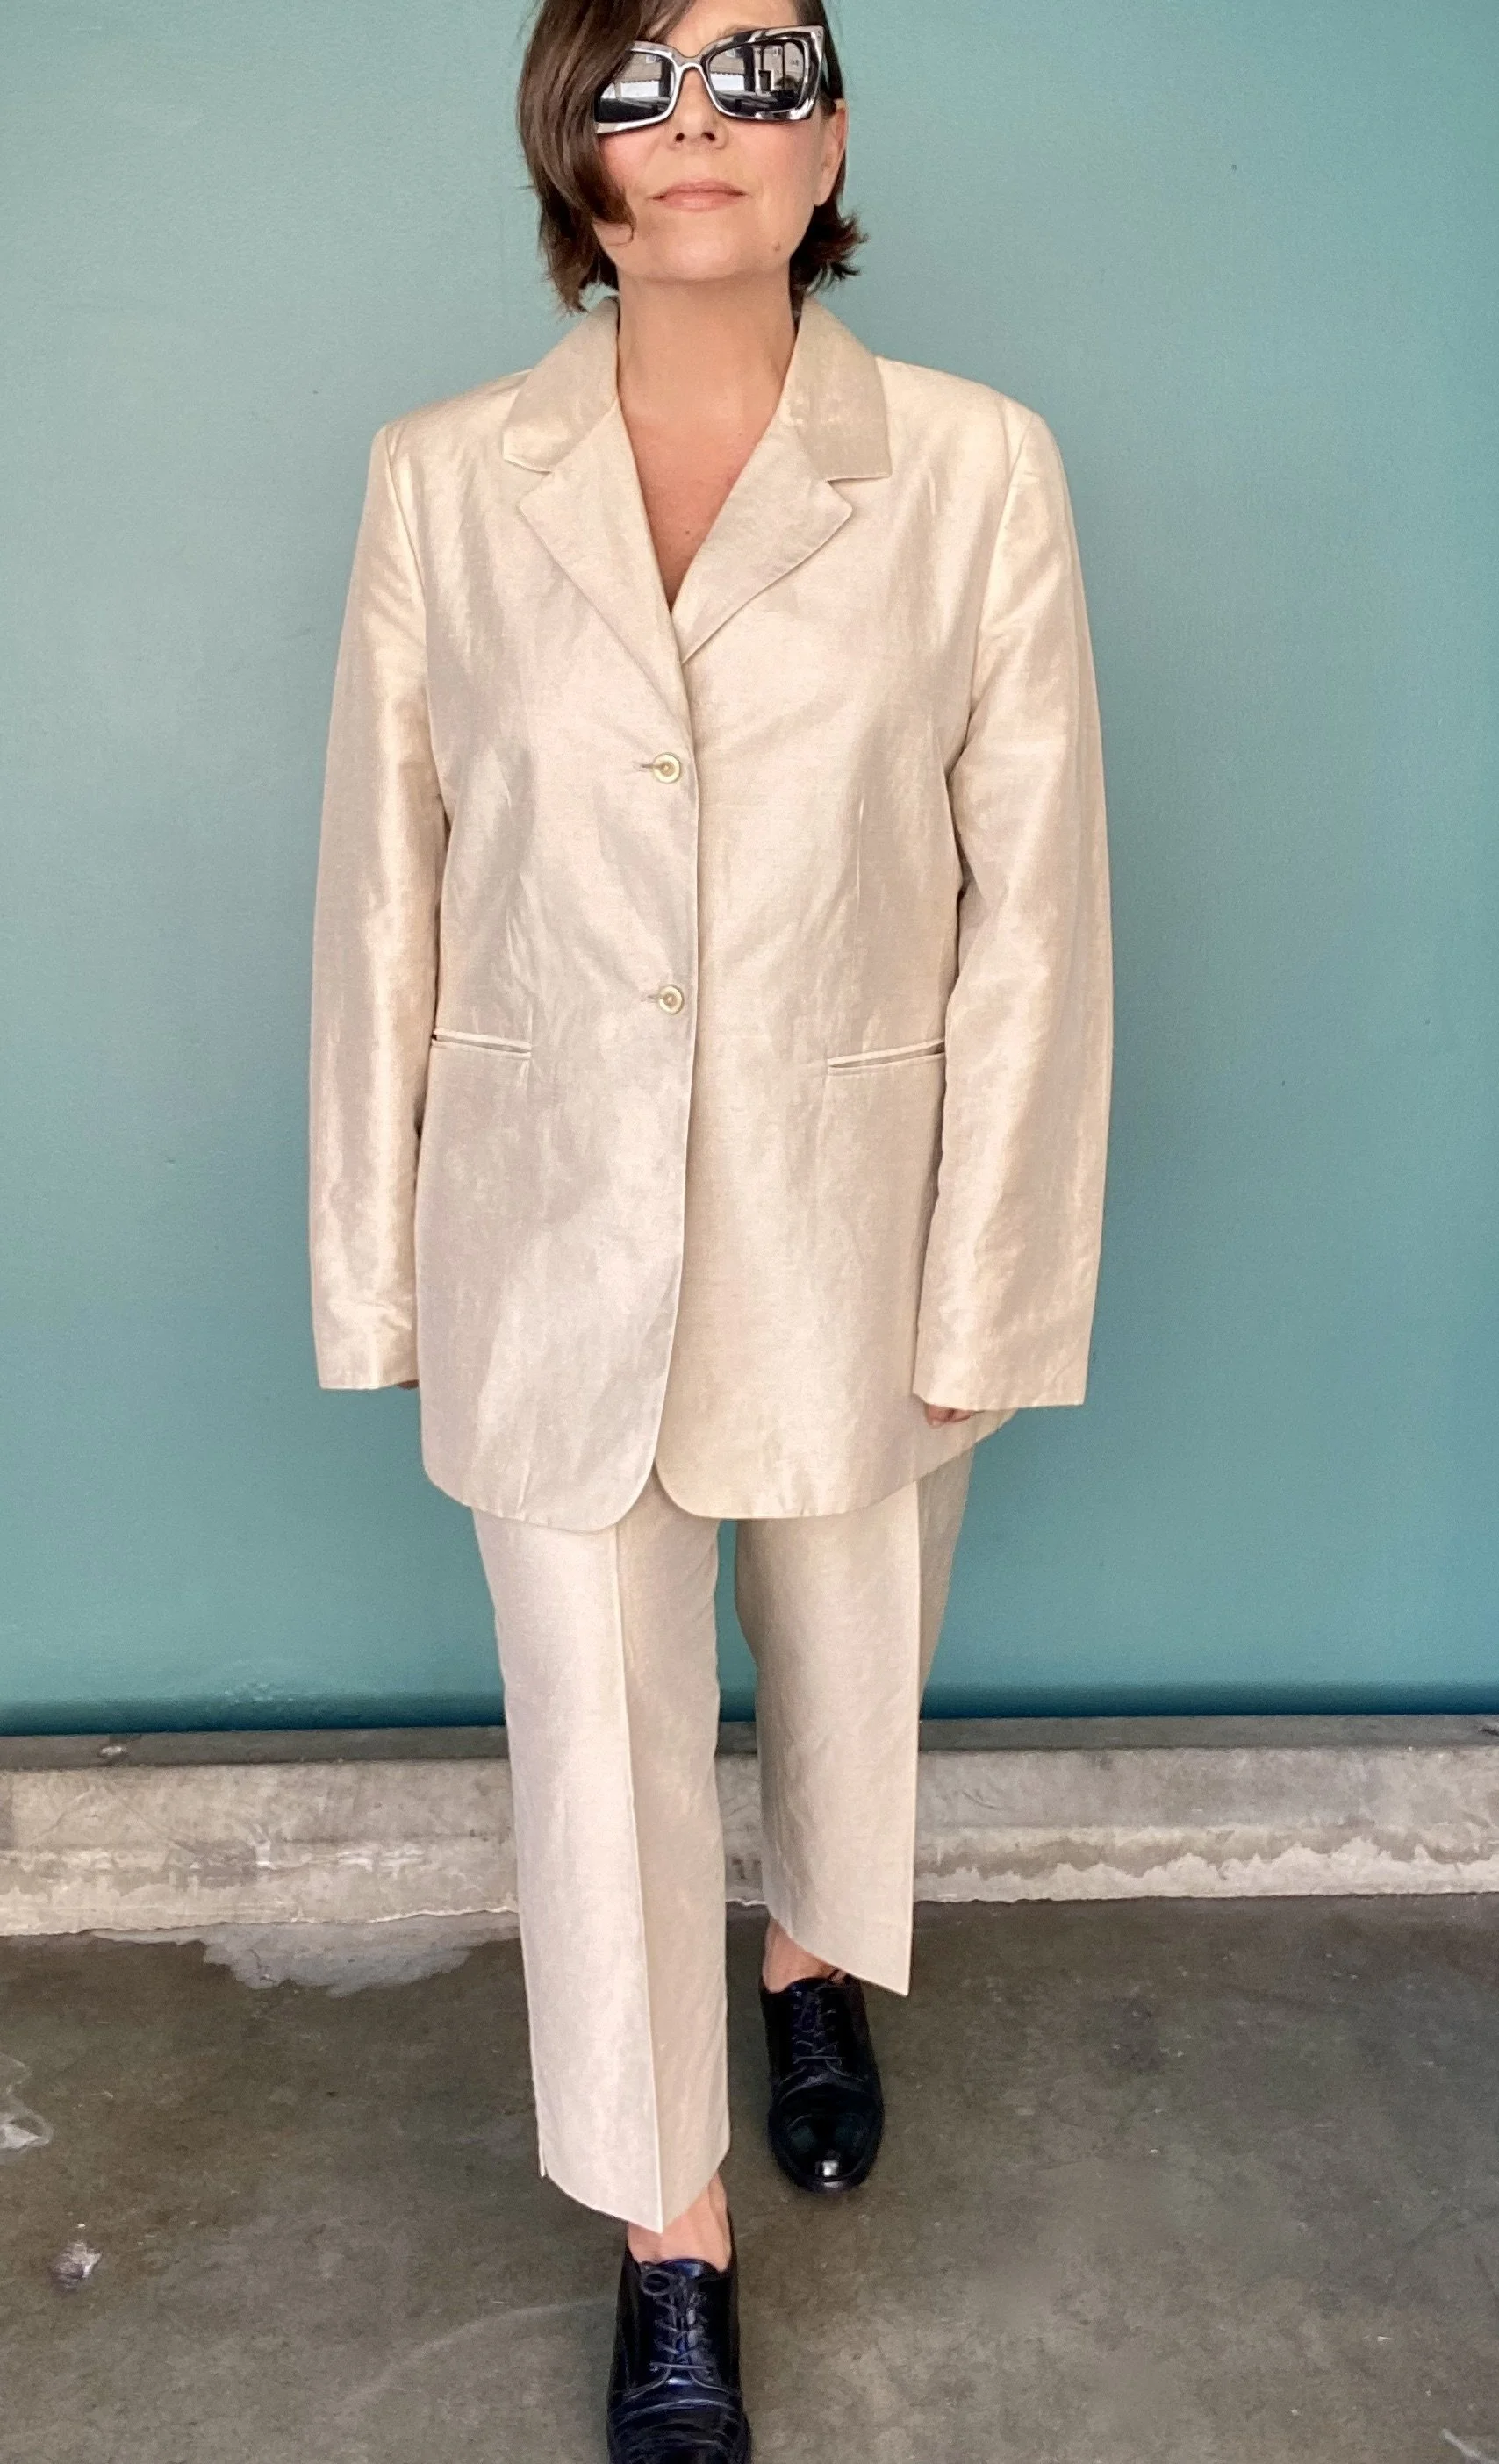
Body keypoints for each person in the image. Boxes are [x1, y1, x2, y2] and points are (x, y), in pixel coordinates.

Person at [309, 3, 1111, 2454]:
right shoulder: (443, 480)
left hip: (849, 1206)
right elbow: (383, 890)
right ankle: (671, 2233)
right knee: (598, 1745)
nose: (698, 127)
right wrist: (374, 1270)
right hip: (541, 1231)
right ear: (567, 137)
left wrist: (993, 1274)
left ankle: (811, 1962)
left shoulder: (971, 467)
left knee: (852, 1653)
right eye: (638, 77)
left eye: (762, 72)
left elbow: (1034, 909)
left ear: (830, 132)